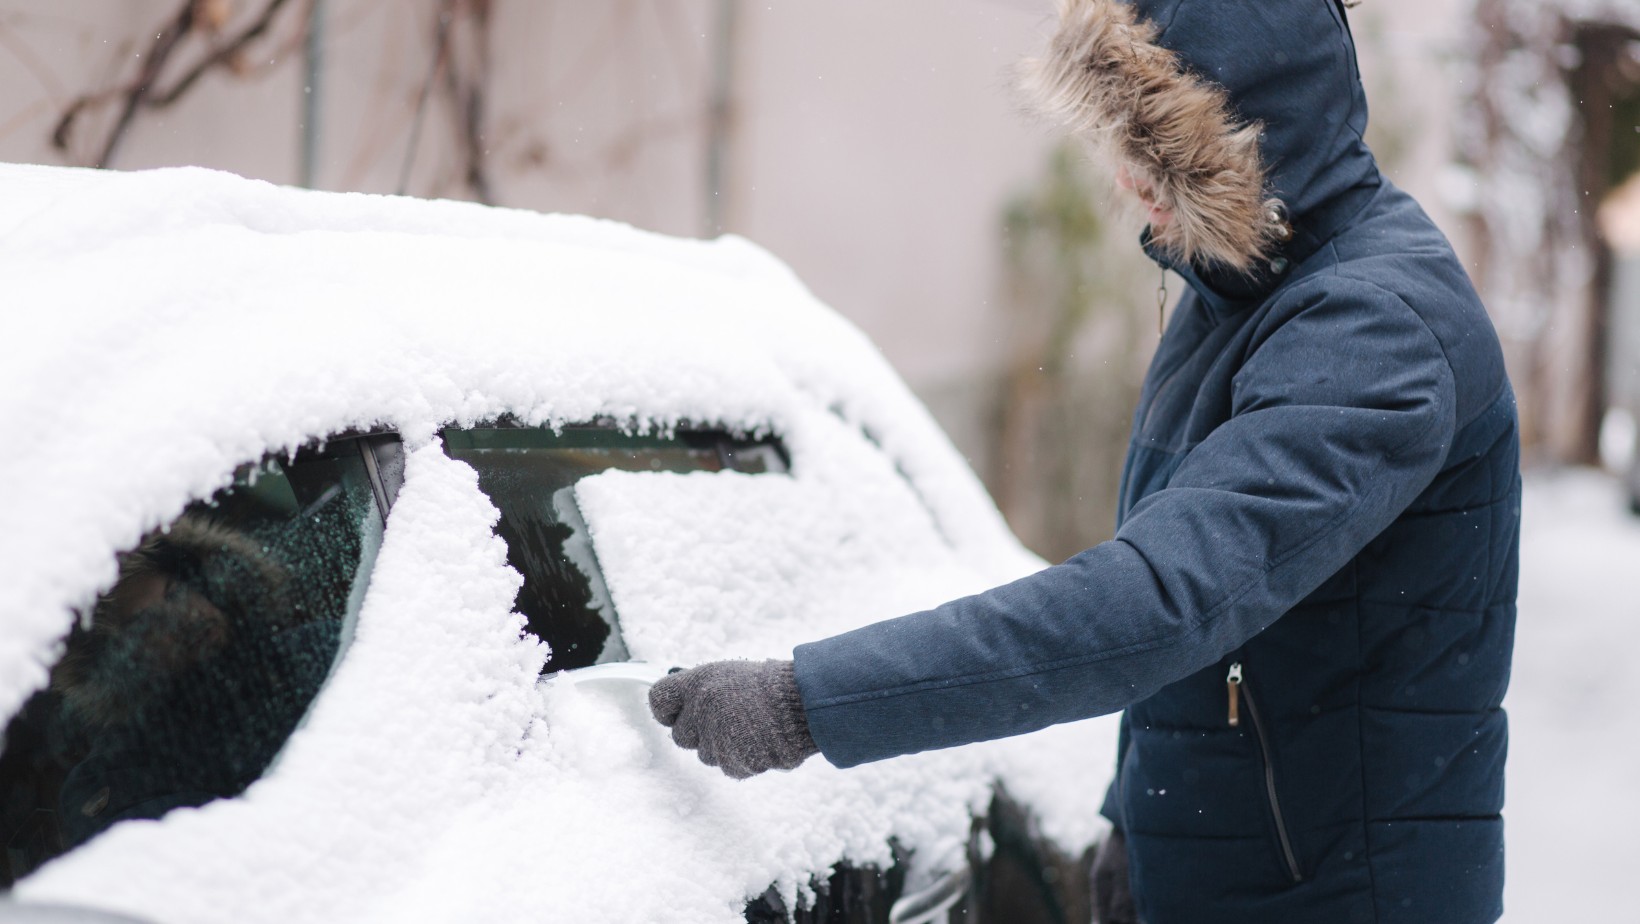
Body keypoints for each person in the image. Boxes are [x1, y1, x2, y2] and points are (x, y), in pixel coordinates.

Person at [648, 1, 1520, 922]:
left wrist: (807, 701)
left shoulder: (1377, 332)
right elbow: (1228, 627)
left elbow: (1159, 600)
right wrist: (1134, 821)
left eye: (1164, 149)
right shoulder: (1238, 285)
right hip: (1241, 871)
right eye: (1120, 138)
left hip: (1342, 896)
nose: (1130, 179)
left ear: (1260, 134)